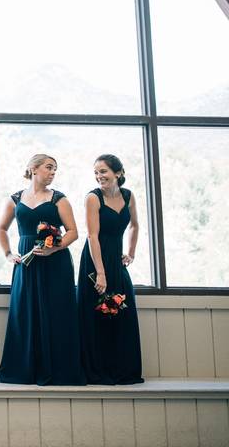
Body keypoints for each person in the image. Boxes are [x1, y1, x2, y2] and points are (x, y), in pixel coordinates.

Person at [0, 154, 85, 385]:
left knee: (57, 311)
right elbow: (1, 229)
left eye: (55, 169)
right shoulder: (15, 199)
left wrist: (53, 249)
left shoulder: (59, 199)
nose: (53, 173)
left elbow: (73, 232)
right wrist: (8, 254)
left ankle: (59, 370)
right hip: (26, 263)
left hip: (55, 263)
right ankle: (25, 370)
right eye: (49, 168)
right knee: (25, 312)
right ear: (33, 169)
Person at [78, 154, 143, 384]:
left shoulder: (128, 195)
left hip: (116, 260)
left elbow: (135, 225)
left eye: (103, 171)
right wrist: (101, 273)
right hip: (95, 261)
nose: (99, 176)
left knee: (122, 310)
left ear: (118, 173)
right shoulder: (93, 198)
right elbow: (91, 236)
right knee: (97, 313)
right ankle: (97, 371)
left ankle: (122, 370)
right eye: (96, 172)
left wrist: (131, 253)